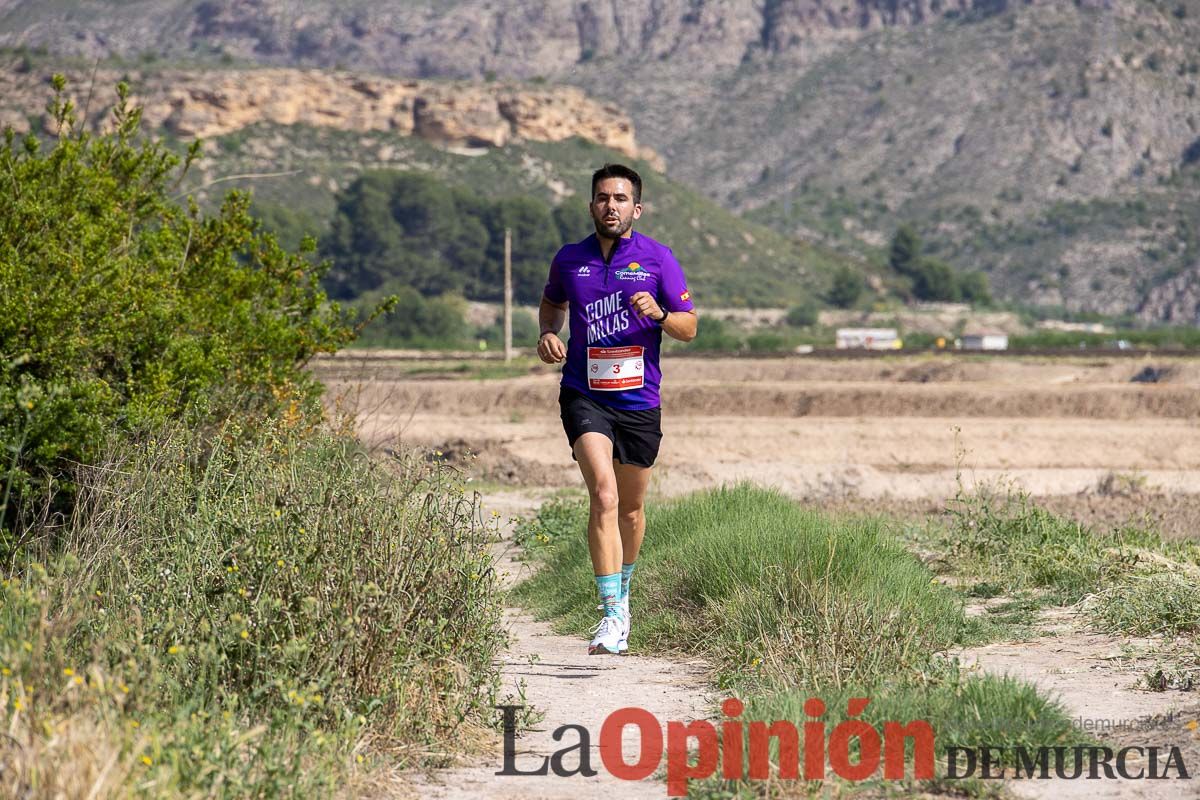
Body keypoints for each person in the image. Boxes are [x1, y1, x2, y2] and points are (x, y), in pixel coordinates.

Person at [537, 163, 697, 655]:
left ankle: (624, 592)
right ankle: (610, 614)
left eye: (621, 199)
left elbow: (690, 327)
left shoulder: (658, 258)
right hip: (585, 395)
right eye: (603, 198)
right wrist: (547, 332)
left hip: (640, 401)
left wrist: (662, 315)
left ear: (636, 208)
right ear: (591, 206)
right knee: (603, 496)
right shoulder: (570, 259)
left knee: (630, 508)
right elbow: (552, 304)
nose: (611, 206)